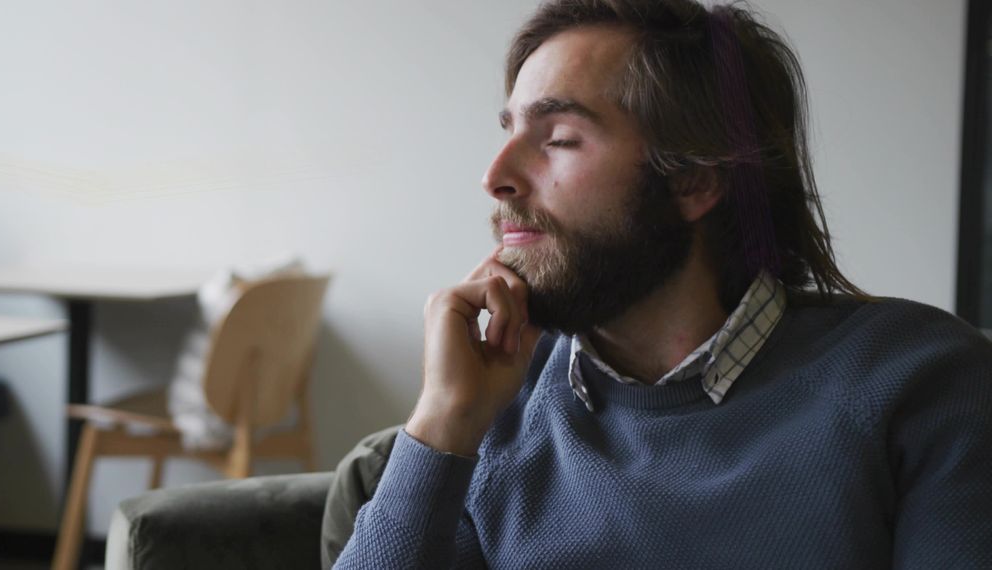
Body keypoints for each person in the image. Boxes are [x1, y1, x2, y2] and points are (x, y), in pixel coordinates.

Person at [329, 0, 992, 567]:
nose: (495, 176)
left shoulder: (922, 381)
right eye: (509, 131)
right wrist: (443, 423)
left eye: (558, 139)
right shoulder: (486, 415)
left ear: (694, 180)